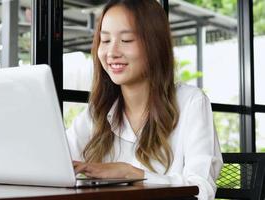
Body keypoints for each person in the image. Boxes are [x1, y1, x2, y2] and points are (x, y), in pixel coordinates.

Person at [66, 0, 223, 199]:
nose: (112, 52)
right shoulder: (97, 113)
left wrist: (133, 174)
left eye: (126, 40)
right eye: (105, 41)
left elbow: (202, 190)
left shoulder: (191, 102)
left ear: (154, 44)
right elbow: (57, 162)